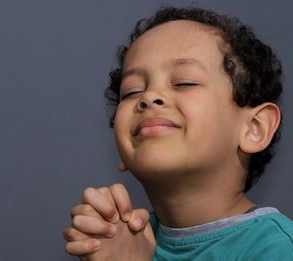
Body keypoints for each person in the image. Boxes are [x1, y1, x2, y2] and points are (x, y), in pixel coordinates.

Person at [63, 6, 293, 260]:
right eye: (131, 91)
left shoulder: (276, 249)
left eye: (185, 82)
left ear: (254, 128)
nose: (149, 96)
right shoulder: (119, 239)